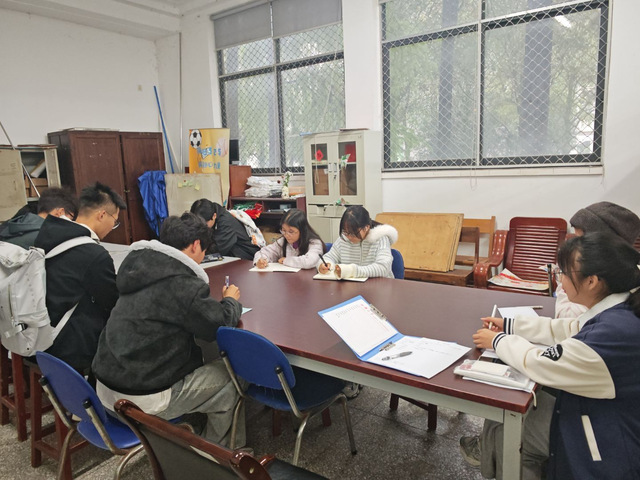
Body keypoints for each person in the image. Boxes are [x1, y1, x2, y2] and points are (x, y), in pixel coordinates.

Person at [462, 232, 640, 480]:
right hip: (598, 410)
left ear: (592, 281)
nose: (560, 279)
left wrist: (498, 340)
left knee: (510, 431)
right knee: (505, 406)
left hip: (605, 440)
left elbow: (540, 363)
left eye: (564, 273)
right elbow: (569, 328)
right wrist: (511, 326)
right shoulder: (620, 308)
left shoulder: (611, 336)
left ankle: (499, 460)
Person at [92, 212, 244, 446]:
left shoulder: (136, 266)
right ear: (196, 245)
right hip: (141, 399)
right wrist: (230, 301)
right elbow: (220, 325)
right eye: (204, 251)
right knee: (232, 376)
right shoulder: (183, 283)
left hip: (105, 388)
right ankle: (220, 453)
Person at [33, 182, 126, 373]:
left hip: (40, 332)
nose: (113, 227)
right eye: (115, 221)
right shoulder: (93, 254)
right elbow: (113, 301)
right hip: (68, 347)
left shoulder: (49, 234)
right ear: (102, 215)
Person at [554, 201, 640, 318]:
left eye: (581, 241)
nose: (574, 247)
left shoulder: (606, 287)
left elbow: (565, 314)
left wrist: (566, 277)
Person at [317, 205, 398, 279]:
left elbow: (383, 267)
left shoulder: (381, 239)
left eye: (353, 233)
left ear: (366, 228)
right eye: (345, 232)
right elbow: (328, 257)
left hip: (379, 286)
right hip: (351, 286)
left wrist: (353, 271)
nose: (349, 237)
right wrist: (325, 265)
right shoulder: (343, 239)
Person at [0, 188, 78, 249]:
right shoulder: (47, 238)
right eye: (71, 219)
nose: (70, 223)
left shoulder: (12, 226)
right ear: (60, 212)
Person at [253, 208, 325, 269]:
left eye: (291, 231)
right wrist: (261, 260)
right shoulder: (283, 241)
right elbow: (263, 252)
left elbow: (309, 261)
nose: (286, 235)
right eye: (284, 230)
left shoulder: (314, 243)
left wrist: (286, 260)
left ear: (302, 230)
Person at [190, 198, 260, 260]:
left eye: (204, 224)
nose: (201, 227)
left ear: (214, 216)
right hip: (229, 254)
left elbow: (219, 249)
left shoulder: (225, 222)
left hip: (245, 256)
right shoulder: (212, 212)